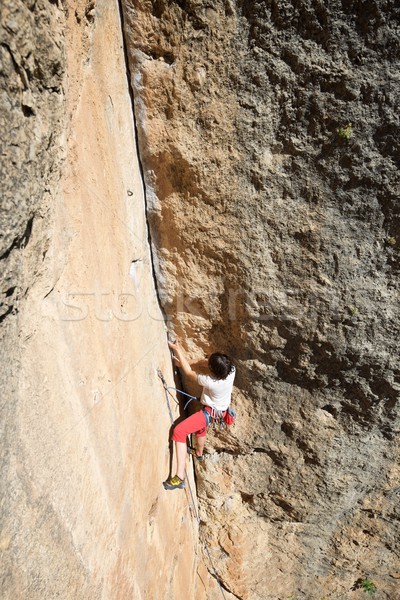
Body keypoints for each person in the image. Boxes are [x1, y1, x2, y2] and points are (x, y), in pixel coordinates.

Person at [163, 339, 236, 491]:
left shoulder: (210, 382)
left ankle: (179, 477)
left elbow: (189, 373)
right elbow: (204, 362)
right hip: (219, 412)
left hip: (208, 413)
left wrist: (177, 350)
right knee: (201, 429)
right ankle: (199, 453)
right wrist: (185, 362)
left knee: (179, 431)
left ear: (213, 371)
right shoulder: (231, 370)